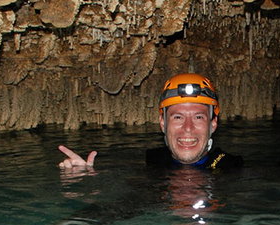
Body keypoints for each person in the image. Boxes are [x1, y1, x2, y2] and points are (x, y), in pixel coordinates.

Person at [58, 72, 242, 171]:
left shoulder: (233, 169)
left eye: (198, 117)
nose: (188, 128)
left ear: (213, 123)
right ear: (162, 123)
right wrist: (86, 173)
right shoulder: (150, 161)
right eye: (178, 117)